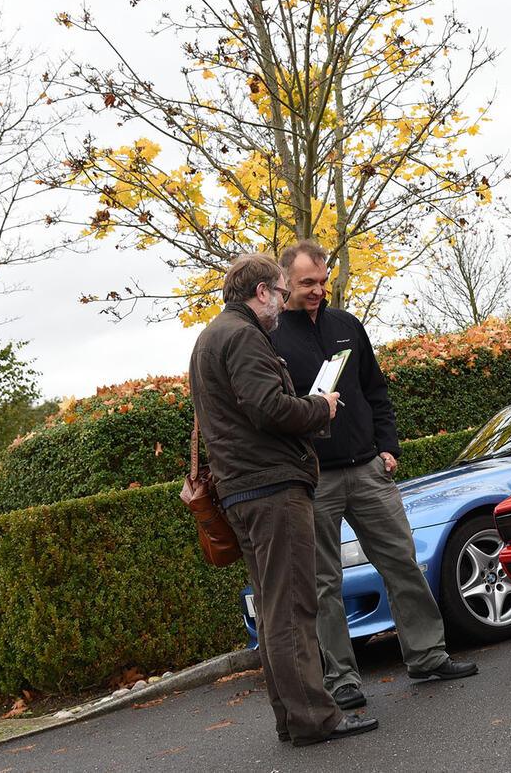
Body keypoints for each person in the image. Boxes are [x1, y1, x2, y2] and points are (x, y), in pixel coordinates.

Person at [272, 241, 477, 711]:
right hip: (315, 477)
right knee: (324, 582)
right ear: (285, 282)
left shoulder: (347, 325)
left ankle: (427, 656)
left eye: (323, 282)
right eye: (307, 283)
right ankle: (342, 680)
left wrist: (387, 446)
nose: (318, 291)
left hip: (367, 468)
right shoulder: (272, 337)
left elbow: (375, 390)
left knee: (402, 561)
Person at [188, 253, 377, 746]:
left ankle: (292, 719)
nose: (284, 302)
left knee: (274, 611)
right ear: (262, 293)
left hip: (243, 490)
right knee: (293, 608)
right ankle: (316, 718)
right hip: (272, 488)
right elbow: (270, 408)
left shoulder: (212, 337)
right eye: (281, 291)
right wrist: (321, 406)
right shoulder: (244, 336)